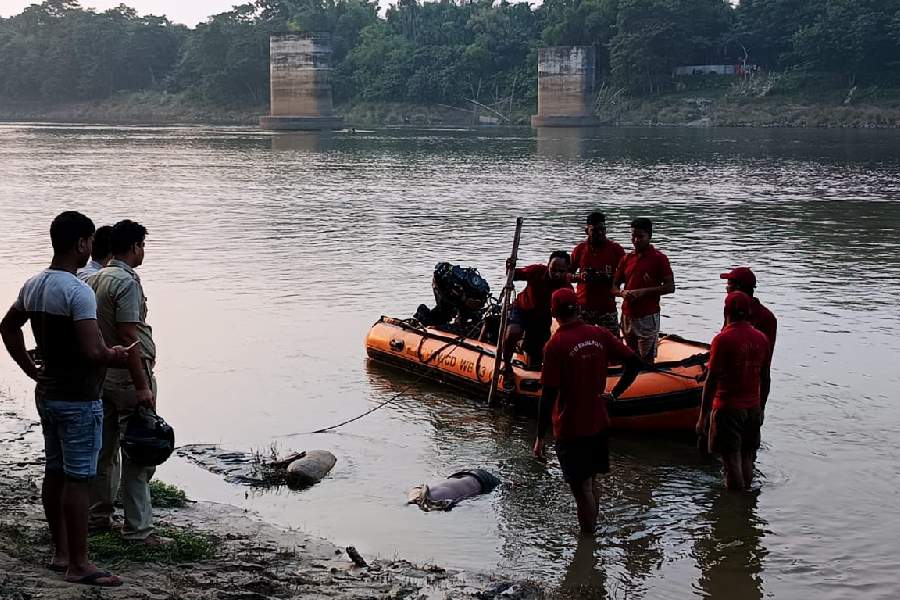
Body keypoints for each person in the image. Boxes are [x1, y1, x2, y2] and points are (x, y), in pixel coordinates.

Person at [0, 211, 130, 587]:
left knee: (55, 473)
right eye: (89, 240)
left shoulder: (34, 284)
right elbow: (93, 352)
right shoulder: (77, 291)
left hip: (49, 393)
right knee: (79, 480)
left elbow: (8, 328)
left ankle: (61, 554)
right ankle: (79, 564)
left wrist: (29, 368)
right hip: (78, 398)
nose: (91, 246)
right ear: (81, 244)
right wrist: (117, 355)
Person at [87, 219, 169, 545]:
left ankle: (98, 516)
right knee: (138, 450)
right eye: (143, 246)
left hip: (102, 375)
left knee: (104, 451)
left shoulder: (95, 279)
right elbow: (129, 337)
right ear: (134, 247)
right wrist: (142, 386)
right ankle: (139, 530)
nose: (144, 252)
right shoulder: (126, 282)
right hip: (127, 378)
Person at [534, 288, 642, 535]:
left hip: (572, 427)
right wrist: (615, 393)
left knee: (581, 489)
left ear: (553, 312)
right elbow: (635, 362)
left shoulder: (555, 345)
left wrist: (540, 436)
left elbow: (548, 395)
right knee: (592, 482)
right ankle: (594, 536)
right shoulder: (599, 334)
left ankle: (587, 542)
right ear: (579, 308)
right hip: (599, 422)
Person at [695, 291, 772, 491]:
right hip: (753, 408)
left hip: (728, 408)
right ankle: (747, 501)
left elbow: (711, 381)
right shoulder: (762, 338)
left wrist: (703, 417)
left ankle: (737, 506)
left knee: (730, 462)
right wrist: (761, 408)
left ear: (725, 311)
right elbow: (765, 377)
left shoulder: (723, 339)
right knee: (747, 456)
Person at [500, 251, 573, 388]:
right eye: (553, 270)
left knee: (536, 357)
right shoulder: (537, 271)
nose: (556, 274)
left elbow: (566, 315)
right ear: (548, 266)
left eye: (561, 271)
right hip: (522, 309)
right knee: (513, 332)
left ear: (567, 270)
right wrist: (509, 266)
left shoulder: (566, 289)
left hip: (542, 317)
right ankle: (507, 365)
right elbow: (514, 275)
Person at [612, 218, 675, 364]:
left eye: (640, 236)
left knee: (646, 358)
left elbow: (670, 287)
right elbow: (614, 286)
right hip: (627, 314)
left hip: (648, 315)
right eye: (633, 236)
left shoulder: (660, 258)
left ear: (649, 236)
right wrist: (622, 293)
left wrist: (643, 292)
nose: (636, 240)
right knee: (630, 355)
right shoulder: (626, 258)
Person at [570, 211, 626, 335]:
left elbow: (627, 275)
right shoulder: (580, 250)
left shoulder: (616, 249)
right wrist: (580, 277)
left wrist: (611, 278)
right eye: (595, 230)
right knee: (580, 340)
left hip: (607, 306)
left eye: (603, 229)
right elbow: (567, 275)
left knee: (613, 342)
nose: (600, 233)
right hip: (583, 306)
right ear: (587, 231)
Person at [719, 267, 777, 355]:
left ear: (737, 288)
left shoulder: (733, 309)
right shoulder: (769, 316)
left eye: (729, 284)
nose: (726, 288)